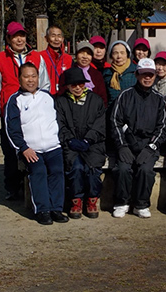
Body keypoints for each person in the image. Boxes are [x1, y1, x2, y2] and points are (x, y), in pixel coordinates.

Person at [0, 21, 50, 201]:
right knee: (11, 151)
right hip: (10, 110)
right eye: (15, 36)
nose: (19, 39)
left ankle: (35, 183)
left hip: (33, 110)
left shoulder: (36, 57)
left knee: (34, 148)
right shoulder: (0, 58)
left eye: (22, 35)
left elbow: (45, 83)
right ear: (8, 38)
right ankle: (12, 186)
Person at [5, 62, 68, 225]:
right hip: (31, 149)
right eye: (26, 76)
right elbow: (12, 129)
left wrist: (59, 140)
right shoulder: (15, 100)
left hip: (53, 146)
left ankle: (56, 208)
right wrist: (23, 148)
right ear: (19, 79)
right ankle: (43, 210)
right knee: (38, 171)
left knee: (57, 171)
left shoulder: (47, 96)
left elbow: (59, 120)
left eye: (33, 76)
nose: (30, 80)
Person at [110, 58, 166, 219]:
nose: (147, 78)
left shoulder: (159, 99)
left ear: (155, 76)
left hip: (148, 144)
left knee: (145, 170)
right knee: (122, 169)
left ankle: (141, 204)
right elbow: (115, 122)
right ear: (136, 75)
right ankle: (122, 203)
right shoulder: (125, 95)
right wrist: (121, 146)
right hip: (127, 143)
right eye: (144, 74)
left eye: (150, 74)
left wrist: (151, 148)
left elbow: (162, 127)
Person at [55, 67, 106, 219]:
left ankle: (92, 199)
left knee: (91, 169)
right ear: (68, 86)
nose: (78, 87)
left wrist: (88, 139)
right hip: (70, 143)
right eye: (73, 85)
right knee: (75, 167)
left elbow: (100, 125)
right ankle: (76, 200)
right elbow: (59, 124)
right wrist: (69, 139)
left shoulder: (95, 100)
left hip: (92, 143)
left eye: (81, 84)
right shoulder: (61, 101)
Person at [58, 41, 107, 106]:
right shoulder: (68, 74)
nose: (85, 56)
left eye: (88, 54)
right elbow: (62, 95)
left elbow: (103, 97)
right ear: (76, 55)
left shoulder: (97, 74)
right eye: (81, 53)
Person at [40, 25, 73, 96]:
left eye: (59, 36)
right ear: (46, 38)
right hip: (45, 96)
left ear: (62, 39)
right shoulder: (40, 57)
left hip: (65, 97)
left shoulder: (68, 58)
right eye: (53, 36)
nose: (56, 39)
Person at [103, 40, 137, 107]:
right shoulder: (106, 74)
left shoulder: (136, 71)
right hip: (112, 111)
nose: (119, 56)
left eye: (122, 53)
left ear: (127, 54)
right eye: (115, 53)